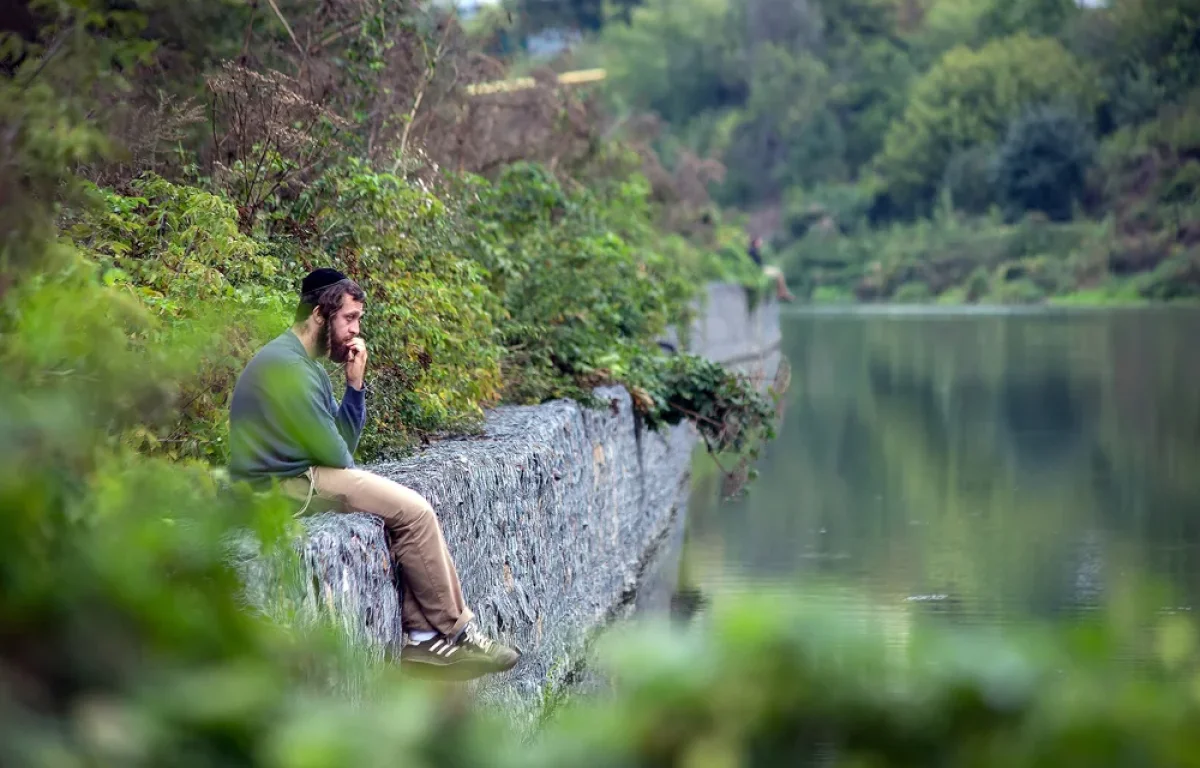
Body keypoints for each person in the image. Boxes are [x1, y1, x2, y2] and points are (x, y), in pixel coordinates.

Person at [228, 267, 520, 680]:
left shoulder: (301, 364)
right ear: (318, 315)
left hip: (298, 476)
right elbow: (341, 456)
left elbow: (340, 445)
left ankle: (422, 640)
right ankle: (457, 633)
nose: (355, 330)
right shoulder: (289, 367)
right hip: (282, 486)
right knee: (414, 511)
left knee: (402, 513)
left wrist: (355, 387)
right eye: (349, 318)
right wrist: (351, 397)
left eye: (357, 320)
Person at [748, 236, 794, 302]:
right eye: (759, 242)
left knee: (779, 272)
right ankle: (782, 294)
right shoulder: (753, 251)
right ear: (755, 242)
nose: (761, 244)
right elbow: (756, 264)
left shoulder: (754, 250)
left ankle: (782, 293)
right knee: (778, 274)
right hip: (759, 270)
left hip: (761, 268)